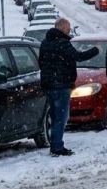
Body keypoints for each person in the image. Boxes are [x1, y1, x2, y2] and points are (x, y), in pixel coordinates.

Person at [39, 18, 99, 156]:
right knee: (61, 116)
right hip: (61, 84)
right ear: (62, 28)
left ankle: (55, 143)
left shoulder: (45, 43)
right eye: (68, 27)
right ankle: (57, 146)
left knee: (55, 115)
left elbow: (41, 63)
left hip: (49, 84)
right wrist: (95, 51)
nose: (69, 30)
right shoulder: (62, 43)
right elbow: (78, 57)